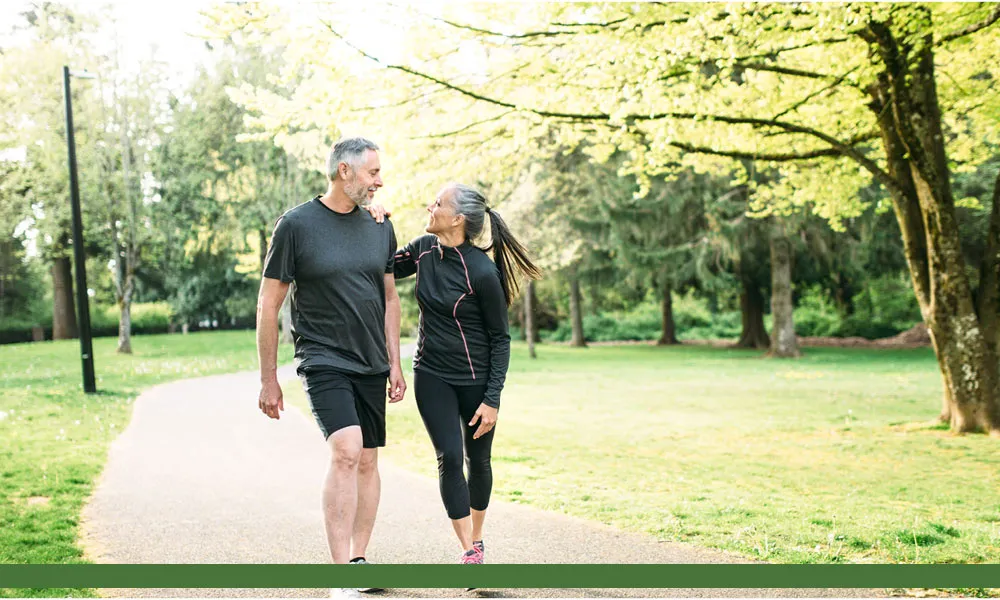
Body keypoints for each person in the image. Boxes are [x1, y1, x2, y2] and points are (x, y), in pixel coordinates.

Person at [256, 137, 405, 599]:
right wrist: (268, 377)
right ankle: (340, 574)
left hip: (371, 362)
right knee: (346, 449)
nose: (380, 180)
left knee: (366, 458)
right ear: (345, 171)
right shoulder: (296, 225)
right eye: (373, 172)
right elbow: (269, 302)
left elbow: (389, 297)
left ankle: (359, 560)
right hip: (322, 358)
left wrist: (395, 363)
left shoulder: (381, 226)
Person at [380, 182, 541, 565]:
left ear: (458, 219)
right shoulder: (422, 249)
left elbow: (501, 339)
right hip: (432, 373)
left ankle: (479, 536)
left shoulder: (482, 272)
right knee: (449, 457)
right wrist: (376, 222)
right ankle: (469, 549)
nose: (429, 206)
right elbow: (381, 264)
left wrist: (492, 400)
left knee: (478, 460)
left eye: (438, 203)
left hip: (475, 380)